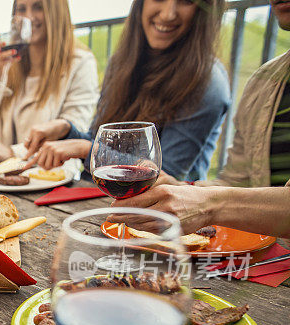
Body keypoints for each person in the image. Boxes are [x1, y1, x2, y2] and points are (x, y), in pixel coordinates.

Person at [109, 0, 290, 239]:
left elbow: (218, 198)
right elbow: (239, 182)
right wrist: (182, 190)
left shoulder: (208, 82)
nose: (168, 13)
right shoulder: (264, 81)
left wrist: (208, 204)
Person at [23, 0, 230, 182]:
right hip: (101, 200)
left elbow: (165, 177)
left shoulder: (208, 83)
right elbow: (100, 140)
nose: (168, 14)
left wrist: (88, 150)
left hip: (159, 218)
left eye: (187, 1)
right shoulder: (122, 63)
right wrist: (66, 130)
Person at [0, 0, 99, 162]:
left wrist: (13, 153)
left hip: (50, 176)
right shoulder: (10, 63)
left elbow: (73, 131)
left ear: (57, 13)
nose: (29, 17)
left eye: (38, 7)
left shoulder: (80, 63)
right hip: (4, 175)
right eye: (22, 9)